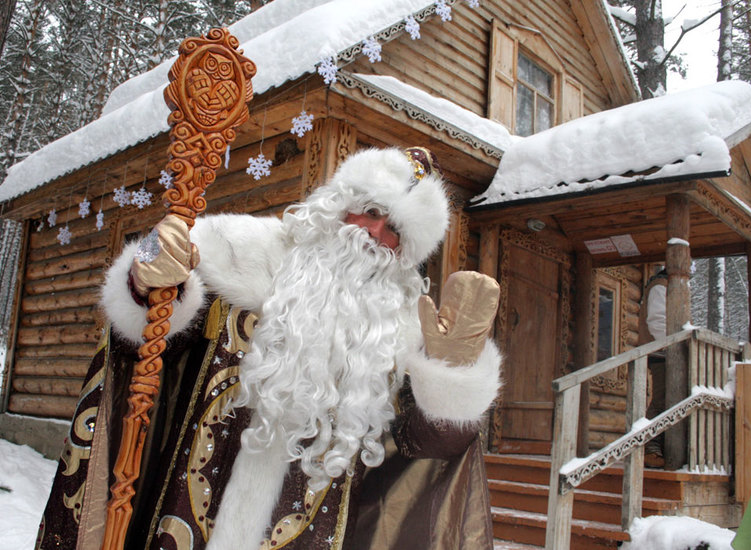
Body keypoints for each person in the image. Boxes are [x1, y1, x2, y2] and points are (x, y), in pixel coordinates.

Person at [36, 147, 503, 550]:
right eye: (371, 211)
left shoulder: (398, 330)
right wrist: (150, 286)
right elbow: (155, 348)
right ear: (339, 205)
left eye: (395, 230)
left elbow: (423, 450)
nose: (374, 233)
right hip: (187, 513)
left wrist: (451, 372)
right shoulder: (238, 250)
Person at [639, 267, 667, 468]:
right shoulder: (660, 286)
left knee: (668, 399)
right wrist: (674, 344)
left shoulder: (666, 285)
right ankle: (649, 445)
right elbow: (657, 321)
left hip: (667, 352)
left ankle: (658, 446)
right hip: (663, 352)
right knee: (662, 399)